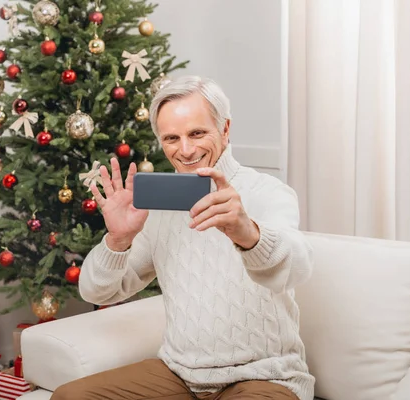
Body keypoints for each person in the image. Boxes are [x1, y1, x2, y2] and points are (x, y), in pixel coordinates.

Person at [51, 76, 315, 400]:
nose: (186, 150)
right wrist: (118, 240)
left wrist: (246, 232)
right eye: (172, 138)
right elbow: (98, 291)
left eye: (197, 133)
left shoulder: (268, 192)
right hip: (179, 375)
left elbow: (298, 269)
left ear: (225, 130)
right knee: (70, 397)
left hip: (263, 377)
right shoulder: (158, 210)